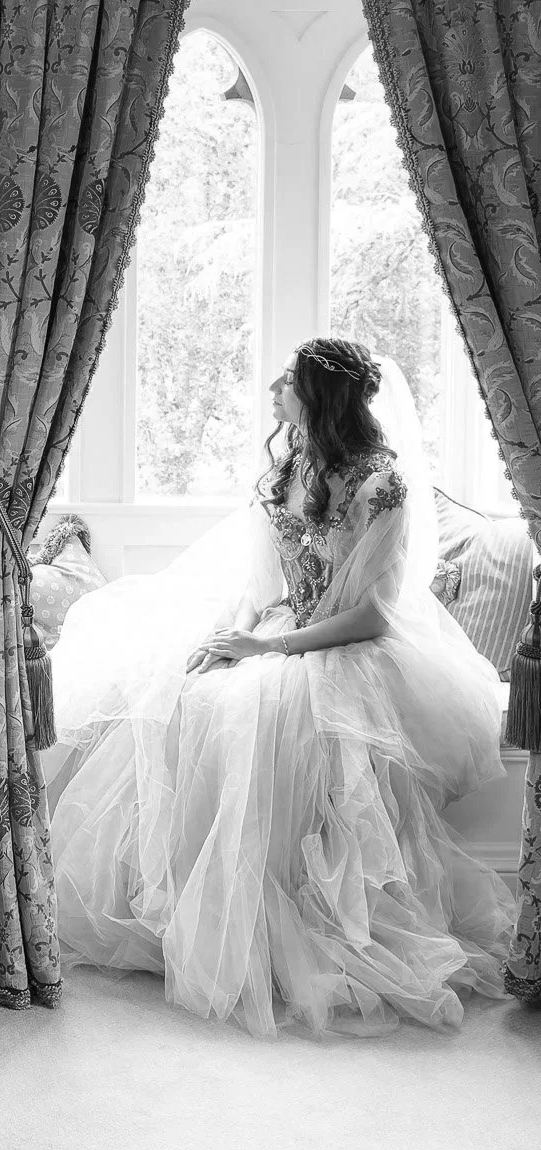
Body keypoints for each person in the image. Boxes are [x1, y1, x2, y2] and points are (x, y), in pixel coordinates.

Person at [44, 338, 515, 1040]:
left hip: (343, 648)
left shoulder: (379, 481)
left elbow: (372, 613)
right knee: (182, 693)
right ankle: (194, 917)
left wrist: (266, 646)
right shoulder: (294, 460)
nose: (272, 389)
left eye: (287, 380)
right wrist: (229, 636)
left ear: (321, 394)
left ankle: (283, 931)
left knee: (271, 721)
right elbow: (261, 582)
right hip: (275, 627)